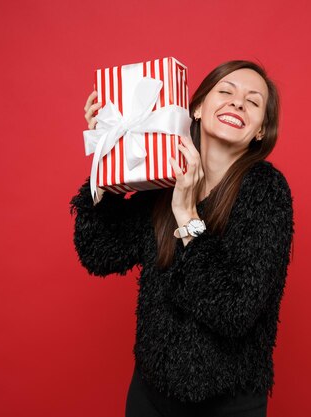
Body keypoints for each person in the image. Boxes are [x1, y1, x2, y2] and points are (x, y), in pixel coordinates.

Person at [70, 60, 294, 417]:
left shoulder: (267, 192)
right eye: (225, 91)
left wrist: (187, 214)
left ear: (260, 131)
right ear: (197, 107)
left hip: (229, 402)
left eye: (252, 102)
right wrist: (110, 156)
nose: (237, 103)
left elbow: (233, 312)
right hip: (150, 395)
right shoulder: (163, 175)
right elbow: (98, 253)